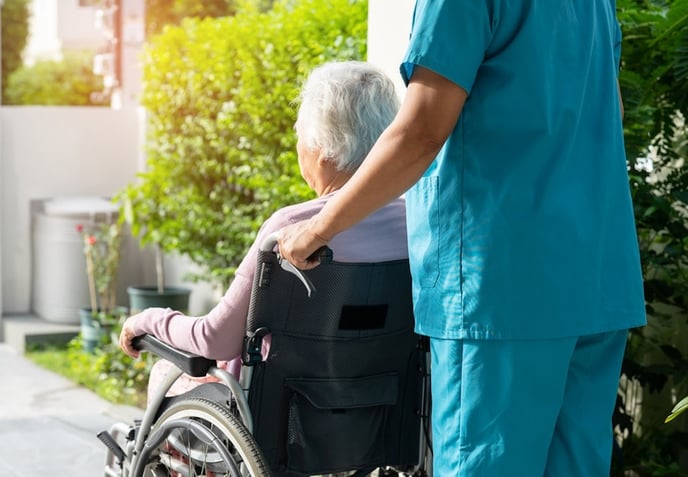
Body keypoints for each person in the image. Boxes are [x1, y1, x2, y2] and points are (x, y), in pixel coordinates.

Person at [277, 2, 647, 476]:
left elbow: (422, 132)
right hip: (593, 277)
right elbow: (607, 112)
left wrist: (316, 229)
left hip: (501, 289)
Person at [119, 61, 408, 397]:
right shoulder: (414, 224)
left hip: (282, 414)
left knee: (166, 372)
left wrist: (148, 319)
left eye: (300, 136)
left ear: (323, 152)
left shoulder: (293, 231)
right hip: (382, 409)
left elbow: (216, 339)